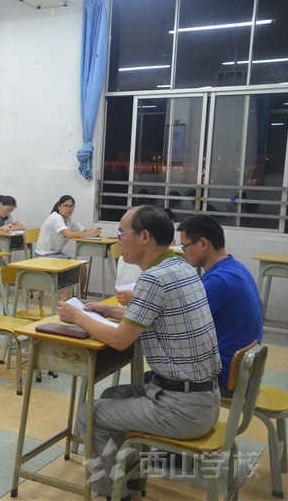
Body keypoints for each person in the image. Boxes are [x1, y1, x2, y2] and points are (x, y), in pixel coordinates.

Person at [57, 205, 221, 501]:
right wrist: (108, 310)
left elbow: (120, 341)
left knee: (88, 414)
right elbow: (154, 313)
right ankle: (128, 478)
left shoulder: (153, 278)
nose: (119, 240)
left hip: (181, 409)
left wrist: (78, 316)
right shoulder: (181, 267)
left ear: (144, 236)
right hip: (203, 399)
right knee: (112, 395)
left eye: (122, 233)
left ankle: (113, 494)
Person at [177, 214, 263, 396]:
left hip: (224, 378)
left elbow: (178, 323)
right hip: (244, 374)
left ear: (203, 243)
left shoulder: (219, 281)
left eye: (185, 246)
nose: (184, 252)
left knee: (151, 380)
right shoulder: (236, 268)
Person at [34, 194, 101, 297]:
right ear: (59, 206)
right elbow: (69, 234)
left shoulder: (70, 220)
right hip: (43, 256)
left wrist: (95, 232)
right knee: (71, 267)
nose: (68, 209)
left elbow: (83, 231)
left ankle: (79, 296)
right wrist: (90, 233)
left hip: (57, 254)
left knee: (82, 267)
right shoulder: (55, 218)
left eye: (71, 206)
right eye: (65, 206)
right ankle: (65, 300)